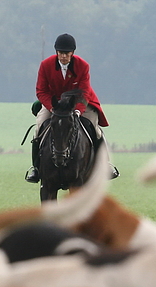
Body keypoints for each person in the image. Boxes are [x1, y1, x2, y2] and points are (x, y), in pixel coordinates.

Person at [25, 33, 119, 183]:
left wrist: (77, 110)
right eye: (60, 53)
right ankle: (36, 168)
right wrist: (52, 107)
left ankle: (105, 165)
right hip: (54, 104)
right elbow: (41, 91)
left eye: (67, 53)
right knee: (38, 129)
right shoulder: (45, 65)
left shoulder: (83, 66)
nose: (63, 56)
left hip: (81, 103)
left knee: (95, 130)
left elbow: (84, 92)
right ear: (56, 52)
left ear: (72, 53)